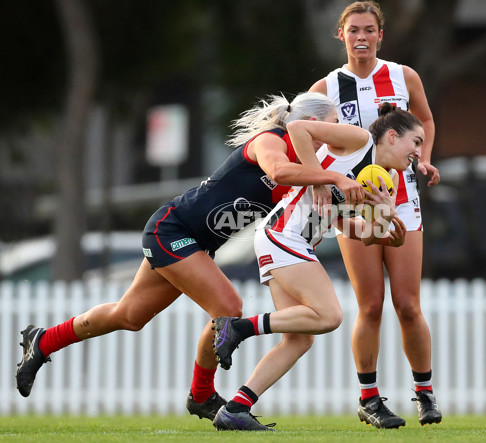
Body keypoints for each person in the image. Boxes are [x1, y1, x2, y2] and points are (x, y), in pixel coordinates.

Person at [15, 92, 364, 421]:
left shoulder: (310, 168)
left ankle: (43, 340)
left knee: (129, 315)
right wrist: (329, 175)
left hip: (194, 241)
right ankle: (202, 396)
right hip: (173, 230)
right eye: (330, 125)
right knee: (228, 309)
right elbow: (278, 172)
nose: (331, 136)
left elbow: (326, 213)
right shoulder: (272, 140)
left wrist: (375, 219)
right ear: (309, 121)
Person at [210, 104, 421, 431]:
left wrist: (388, 232)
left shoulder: (386, 178)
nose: (419, 153)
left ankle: (236, 408)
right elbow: (298, 129)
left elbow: (355, 229)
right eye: (416, 142)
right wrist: (323, 180)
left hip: (285, 238)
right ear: (392, 136)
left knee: (299, 339)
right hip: (285, 235)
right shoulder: (361, 140)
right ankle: (237, 328)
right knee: (329, 315)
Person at [308, 0, 442, 427]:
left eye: (369, 29)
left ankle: (425, 394)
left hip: (400, 198)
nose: (361, 37)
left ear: (380, 35)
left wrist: (421, 157)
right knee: (370, 305)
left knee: (408, 304)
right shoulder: (325, 88)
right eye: (353, 30)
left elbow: (424, 118)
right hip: (353, 204)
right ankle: (369, 398)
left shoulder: (403, 76)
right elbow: (303, 139)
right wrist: (320, 182)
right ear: (342, 35)